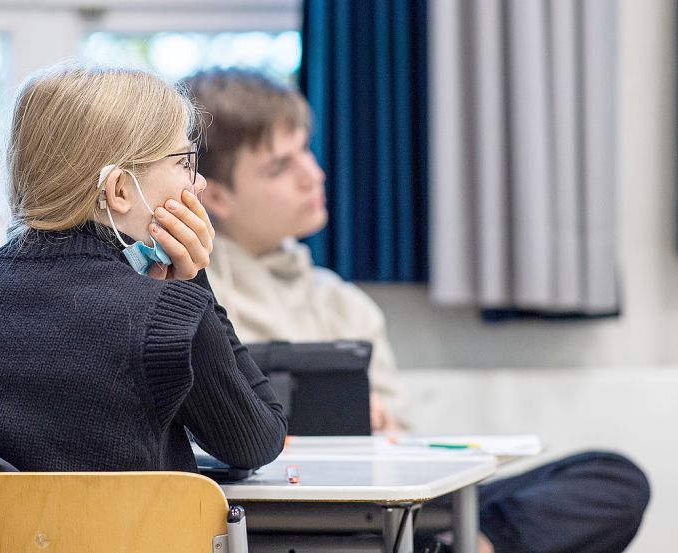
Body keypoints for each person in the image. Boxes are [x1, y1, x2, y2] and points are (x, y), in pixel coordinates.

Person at [183, 68, 650, 553]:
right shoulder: (187, 298)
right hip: (260, 510)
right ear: (214, 194)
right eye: (280, 167)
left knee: (612, 479)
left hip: (377, 505)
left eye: (305, 149)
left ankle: (470, 546)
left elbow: (401, 454)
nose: (313, 174)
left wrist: (381, 427)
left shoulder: (343, 304)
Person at [0, 63, 287, 473]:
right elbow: (258, 441)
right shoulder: (166, 321)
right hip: (121, 540)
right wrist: (194, 283)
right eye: (184, 163)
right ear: (121, 190)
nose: (197, 185)